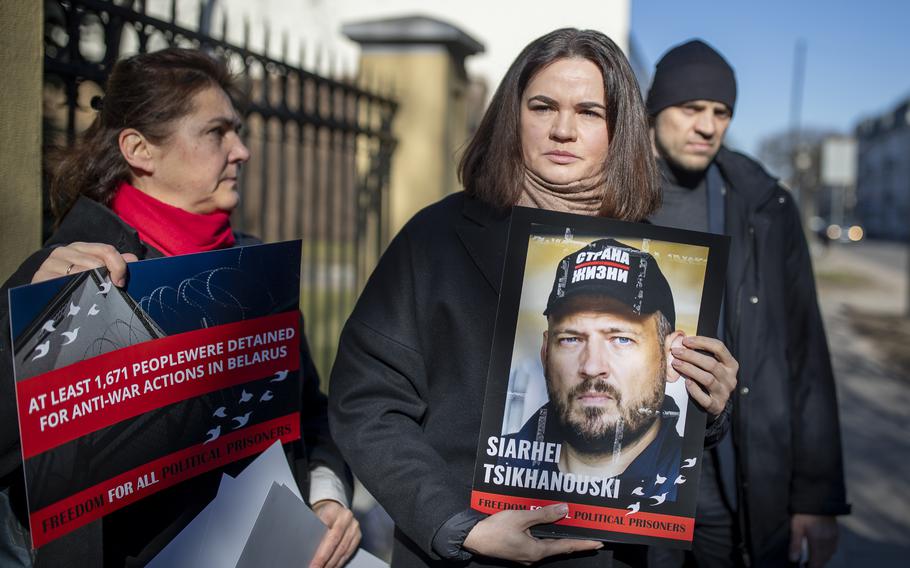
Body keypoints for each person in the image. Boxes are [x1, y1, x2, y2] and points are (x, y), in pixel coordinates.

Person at [328, 28, 738, 568]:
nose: (563, 130)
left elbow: (670, 413)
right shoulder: (436, 237)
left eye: (590, 112)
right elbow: (368, 402)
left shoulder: (658, 256)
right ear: (511, 115)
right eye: (543, 106)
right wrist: (456, 525)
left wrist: (710, 402)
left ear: (620, 130)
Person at [0, 48, 360, 567]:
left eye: (237, 131)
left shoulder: (257, 267)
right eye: (216, 133)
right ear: (139, 149)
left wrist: (326, 493)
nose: (241, 151)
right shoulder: (59, 273)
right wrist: (37, 334)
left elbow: (311, 411)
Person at [645, 39, 850, 568]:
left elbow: (805, 354)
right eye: (691, 108)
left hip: (733, 479)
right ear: (654, 107)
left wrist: (815, 498)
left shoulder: (765, 205)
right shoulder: (608, 193)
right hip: (634, 483)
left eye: (721, 112)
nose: (707, 126)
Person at [504, 238, 686, 500]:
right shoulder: (497, 468)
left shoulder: (691, 486)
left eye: (622, 339)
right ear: (545, 354)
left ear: (670, 357)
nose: (591, 367)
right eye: (570, 339)